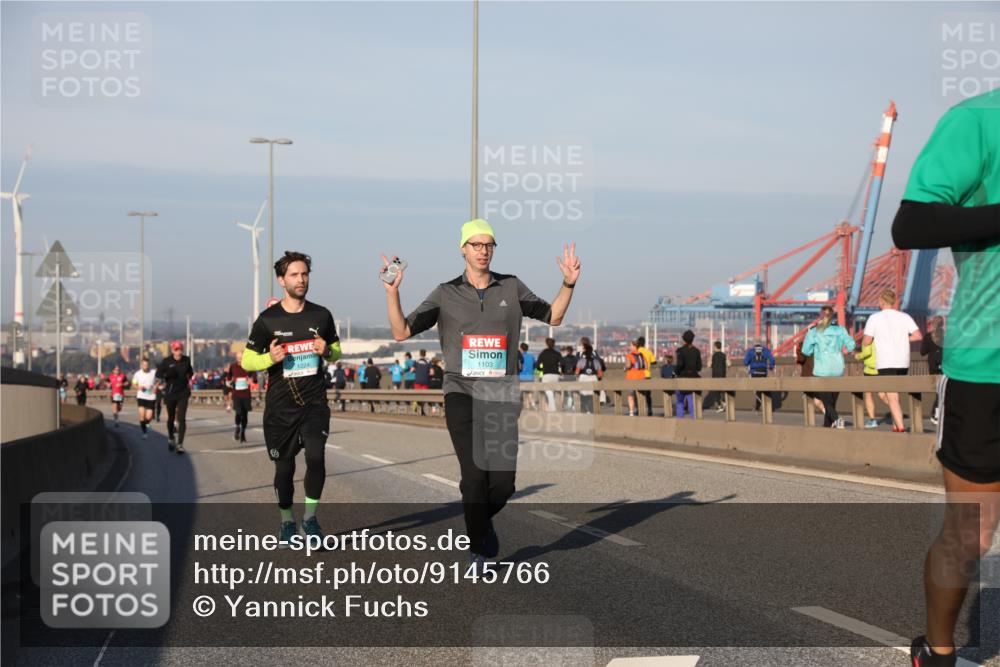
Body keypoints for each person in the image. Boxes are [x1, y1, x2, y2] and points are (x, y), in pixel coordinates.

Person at [383, 218, 579, 570]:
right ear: (463, 249)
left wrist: (568, 283)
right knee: (474, 477)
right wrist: (392, 292)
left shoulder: (511, 287)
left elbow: (553, 317)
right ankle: (478, 550)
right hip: (460, 392)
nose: (483, 251)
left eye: (488, 245)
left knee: (503, 485)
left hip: (501, 395)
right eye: (476, 244)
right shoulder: (445, 293)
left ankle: (480, 523)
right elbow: (401, 331)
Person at [889, 88, 1000, 667]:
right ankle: (937, 653)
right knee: (972, 532)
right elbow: (911, 223)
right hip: (988, 367)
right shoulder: (979, 119)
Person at [241, 251, 341, 544]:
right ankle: (287, 521)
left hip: (314, 403)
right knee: (284, 469)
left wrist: (327, 351)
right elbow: (247, 360)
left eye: (305, 274)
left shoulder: (321, 315)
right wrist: (269, 358)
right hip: (280, 408)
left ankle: (309, 520)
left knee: (316, 457)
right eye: (294, 275)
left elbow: (336, 352)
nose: (301, 280)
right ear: (281, 280)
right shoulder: (268, 320)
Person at [862, 289, 922, 432]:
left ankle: (900, 427)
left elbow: (866, 341)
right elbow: (918, 336)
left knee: (892, 395)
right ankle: (896, 425)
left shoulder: (874, 318)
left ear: (882, 302)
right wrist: (902, 340)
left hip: (885, 361)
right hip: (903, 361)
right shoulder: (905, 317)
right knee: (894, 393)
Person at [801, 306, 856, 428]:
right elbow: (851, 345)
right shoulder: (840, 329)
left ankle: (837, 420)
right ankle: (827, 426)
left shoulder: (814, 331)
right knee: (831, 402)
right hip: (837, 369)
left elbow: (805, 351)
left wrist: (814, 349)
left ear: (820, 316)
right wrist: (843, 351)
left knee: (827, 402)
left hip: (822, 371)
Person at [156, 341, 194, 453]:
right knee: (171, 418)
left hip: (183, 392)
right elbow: (158, 374)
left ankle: (180, 444)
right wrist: (167, 375)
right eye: (176, 350)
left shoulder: (186, 360)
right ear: (172, 350)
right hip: (170, 393)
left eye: (180, 349)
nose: (179, 352)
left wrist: (188, 377)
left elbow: (190, 372)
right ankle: (171, 438)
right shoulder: (166, 361)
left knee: (181, 418)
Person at [921, 315, 945, 425]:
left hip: (933, 367)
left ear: (932, 324)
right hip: (944, 366)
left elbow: (922, 352)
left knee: (937, 392)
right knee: (942, 392)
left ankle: (936, 415)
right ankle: (936, 415)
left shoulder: (928, 336)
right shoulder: (946, 336)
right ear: (942, 324)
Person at [227, 349, 255, 442]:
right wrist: (230, 383)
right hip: (236, 394)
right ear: (236, 358)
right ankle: (237, 427)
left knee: (245, 414)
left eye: (241, 357)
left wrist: (251, 380)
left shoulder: (249, 366)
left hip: (246, 394)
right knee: (238, 412)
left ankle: (243, 433)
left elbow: (254, 378)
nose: (240, 359)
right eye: (238, 357)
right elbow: (228, 378)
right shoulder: (233, 366)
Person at [673, 330, 701, 418]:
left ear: (684, 339)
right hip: (693, 378)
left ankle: (680, 420)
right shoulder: (696, 351)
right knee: (691, 401)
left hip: (682, 378)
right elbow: (699, 367)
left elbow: (679, 365)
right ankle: (693, 420)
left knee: (680, 401)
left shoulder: (680, 350)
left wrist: (675, 373)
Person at [854, 339, 880, 428]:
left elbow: (867, 352)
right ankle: (896, 411)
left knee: (868, 394)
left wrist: (858, 356)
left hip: (870, 370)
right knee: (884, 395)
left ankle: (872, 420)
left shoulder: (867, 337)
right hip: (882, 367)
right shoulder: (880, 336)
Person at [744, 340, 776, 411]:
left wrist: (750, 362)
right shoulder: (766, 350)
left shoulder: (751, 351)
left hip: (754, 372)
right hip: (763, 371)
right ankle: (766, 405)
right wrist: (771, 367)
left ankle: (760, 405)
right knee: (764, 388)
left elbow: (745, 362)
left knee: (757, 389)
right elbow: (772, 360)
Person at [574, 337, 603, 414]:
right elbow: (600, 374)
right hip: (593, 378)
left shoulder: (581, 361)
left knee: (583, 396)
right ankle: (591, 410)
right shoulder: (596, 361)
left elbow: (577, 372)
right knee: (592, 396)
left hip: (583, 377)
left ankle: (584, 410)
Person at [132, 357, 157, 439]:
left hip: (151, 396)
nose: (145, 366)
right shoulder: (137, 374)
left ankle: (146, 424)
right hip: (141, 396)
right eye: (144, 365)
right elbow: (134, 384)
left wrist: (155, 387)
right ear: (141, 365)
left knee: (149, 417)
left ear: (149, 365)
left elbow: (159, 380)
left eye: (146, 365)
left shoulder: (153, 372)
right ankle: (144, 432)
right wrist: (138, 387)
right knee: (142, 415)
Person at [536, 337, 563, 412]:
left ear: (546, 344)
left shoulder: (543, 353)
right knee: (554, 391)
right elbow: (563, 363)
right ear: (554, 344)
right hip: (556, 375)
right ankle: (553, 407)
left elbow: (537, 365)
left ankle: (552, 408)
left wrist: (541, 370)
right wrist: (561, 371)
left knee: (548, 391)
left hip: (546, 375)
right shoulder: (557, 353)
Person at [624, 340, 647, 417]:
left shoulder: (629, 356)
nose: (629, 347)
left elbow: (628, 365)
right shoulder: (642, 355)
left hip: (632, 377)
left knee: (631, 395)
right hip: (641, 376)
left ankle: (631, 412)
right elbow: (646, 366)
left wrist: (625, 368)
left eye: (630, 345)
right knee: (640, 394)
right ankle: (641, 410)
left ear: (634, 346)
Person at [704, 341, 727, 413]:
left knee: (716, 391)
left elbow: (708, 365)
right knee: (722, 390)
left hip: (715, 375)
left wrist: (710, 357)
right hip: (722, 375)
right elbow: (729, 364)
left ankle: (720, 406)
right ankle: (724, 402)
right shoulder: (724, 355)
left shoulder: (713, 356)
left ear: (715, 347)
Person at [636, 336, 656, 416]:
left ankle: (639, 409)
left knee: (638, 393)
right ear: (644, 343)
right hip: (647, 375)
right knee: (648, 394)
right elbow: (654, 362)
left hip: (638, 375)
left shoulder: (636, 351)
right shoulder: (648, 351)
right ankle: (650, 409)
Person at [518, 342, 537, 410]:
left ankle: (521, 407)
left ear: (521, 348)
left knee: (519, 393)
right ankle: (533, 405)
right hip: (530, 377)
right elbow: (534, 366)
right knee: (530, 393)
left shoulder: (519, 357)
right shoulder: (531, 357)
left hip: (521, 377)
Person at [559, 345, 578, 411]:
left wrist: (563, 373)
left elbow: (562, 367)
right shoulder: (575, 358)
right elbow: (576, 367)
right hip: (572, 376)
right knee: (571, 391)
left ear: (567, 351)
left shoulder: (564, 358)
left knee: (566, 391)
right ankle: (572, 405)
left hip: (566, 376)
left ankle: (566, 405)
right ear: (572, 351)